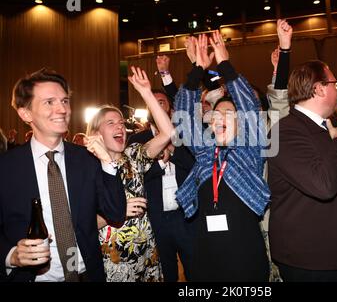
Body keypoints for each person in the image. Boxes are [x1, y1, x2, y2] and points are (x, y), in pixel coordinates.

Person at [0, 68, 126, 282]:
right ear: (25, 113)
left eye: (65, 101)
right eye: (49, 102)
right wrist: (11, 255)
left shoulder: (87, 160)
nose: (62, 109)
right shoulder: (6, 168)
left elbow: (115, 214)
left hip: (86, 275)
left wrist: (107, 163)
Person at [174, 31, 270, 281]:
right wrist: (197, 70)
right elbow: (183, 115)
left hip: (245, 258)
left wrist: (224, 64)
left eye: (228, 114)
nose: (220, 120)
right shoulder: (206, 153)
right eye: (215, 116)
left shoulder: (250, 151)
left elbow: (249, 104)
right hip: (206, 257)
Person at [268, 60, 337, 282]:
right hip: (311, 261)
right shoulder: (286, 131)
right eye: (335, 86)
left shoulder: (326, 127)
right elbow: (323, 185)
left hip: (336, 254)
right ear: (319, 88)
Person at [86, 66, 173, 282]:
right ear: (97, 133)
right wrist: (117, 212)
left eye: (122, 123)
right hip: (114, 264)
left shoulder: (133, 155)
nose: (120, 127)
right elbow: (80, 223)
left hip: (147, 255)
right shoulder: (87, 168)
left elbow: (168, 133)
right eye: (111, 123)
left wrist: (146, 93)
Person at [127, 56, 196, 282]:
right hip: (156, 216)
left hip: (184, 215)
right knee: (165, 272)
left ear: (170, 107)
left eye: (162, 102)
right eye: (153, 103)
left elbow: (195, 166)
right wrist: (158, 163)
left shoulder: (184, 137)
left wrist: (173, 153)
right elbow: (136, 175)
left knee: (195, 269)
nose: (157, 106)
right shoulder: (139, 139)